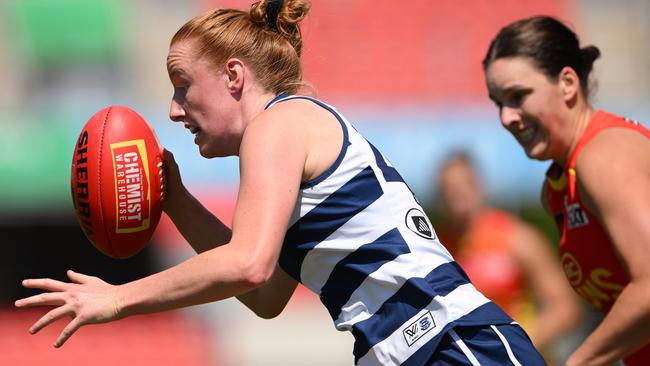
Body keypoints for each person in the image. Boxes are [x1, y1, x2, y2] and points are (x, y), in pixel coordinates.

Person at [14, 1, 546, 364]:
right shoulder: (286, 135)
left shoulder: (276, 126)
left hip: (452, 345)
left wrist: (119, 298)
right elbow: (268, 295)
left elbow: (247, 265)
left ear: (233, 76)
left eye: (182, 86)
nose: (175, 111)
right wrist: (174, 199)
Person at [483, 15, 650, 366]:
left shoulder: (603, 156)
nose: (506, 117)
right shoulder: (558, 188)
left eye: (518, 96)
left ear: (568, 83)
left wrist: (578, 362)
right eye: (498, 102)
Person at [434, 151, 581, 362]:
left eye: (462, 186)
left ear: (479, 186)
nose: (455, 195)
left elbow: (565, 308)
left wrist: (515, 342)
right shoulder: (436, 248)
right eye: (447, 189)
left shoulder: (518, 238)